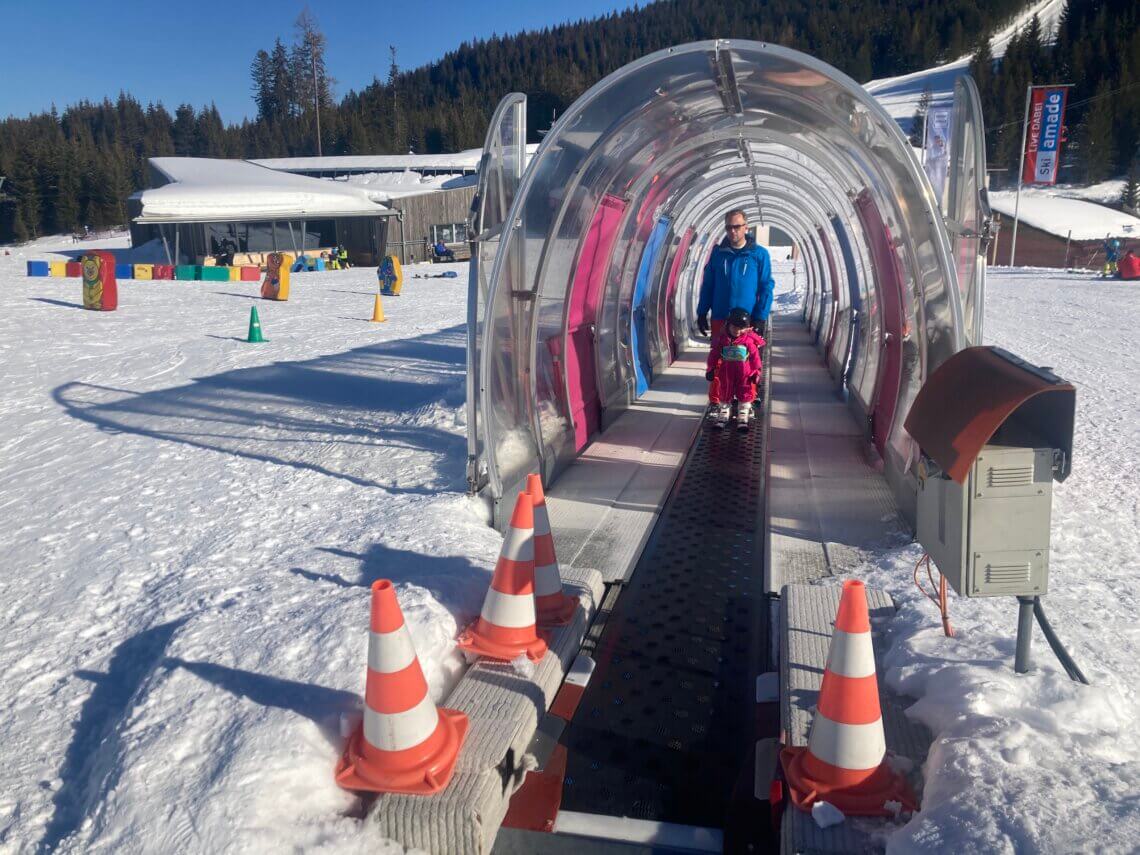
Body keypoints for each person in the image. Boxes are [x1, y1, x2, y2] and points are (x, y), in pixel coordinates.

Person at [697, 207, 774, 366]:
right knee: (720, 365)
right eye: (729, 227)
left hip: (747, 321)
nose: (733, 231)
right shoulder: (718, 254)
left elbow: (766, 286)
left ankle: (746, 391)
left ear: (746, 227)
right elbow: (708, 285)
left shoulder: (759, 254)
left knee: (745, 366)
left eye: (737, 227)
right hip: (721, 318)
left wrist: (760, 317)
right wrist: (702, 312)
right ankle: (721, 391)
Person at [705, 307, 765, 430]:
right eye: (734, 327)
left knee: (745, 392)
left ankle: (743, 414)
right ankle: (724, 413)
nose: (737, 331)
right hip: (726, 372)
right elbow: (714, 354)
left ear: (746, 328)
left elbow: (755, 358)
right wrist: (711, 368)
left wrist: (756, 372)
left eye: (741, 328)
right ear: (728, 325)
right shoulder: (722, 340)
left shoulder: (748, 341)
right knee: (725, 391)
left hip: (744, 373)